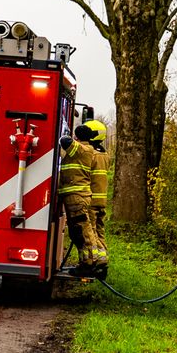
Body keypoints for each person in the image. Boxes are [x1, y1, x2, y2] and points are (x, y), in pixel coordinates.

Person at [58, 124, 103, 278]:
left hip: (77, 197)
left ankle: (89, 263)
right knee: (78, 232)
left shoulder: (82, 149)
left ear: (77, 137)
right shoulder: (83, 150)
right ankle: (86, 262)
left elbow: (64, 140)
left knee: (83, 231)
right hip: (75, 197)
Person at [83, 119, 111, 267]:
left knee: (91, 232)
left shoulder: (90, 154)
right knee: (99, 231)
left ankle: (92, 261)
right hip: (102, 201)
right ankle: (103, 258)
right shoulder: (105, 155)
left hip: (91, 200)